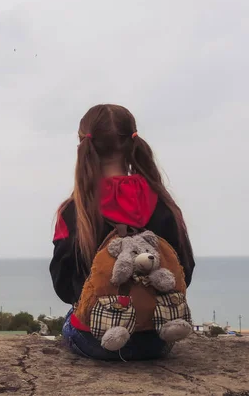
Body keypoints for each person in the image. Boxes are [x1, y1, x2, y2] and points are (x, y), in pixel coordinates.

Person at [50, 104, 195, 360]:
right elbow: (185, 271)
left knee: (69, 320)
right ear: (133, 143)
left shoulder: (74, 211)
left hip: (97, 341)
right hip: (155, 340)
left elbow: (64, 286)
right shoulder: (165, 205)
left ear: (84, 146)